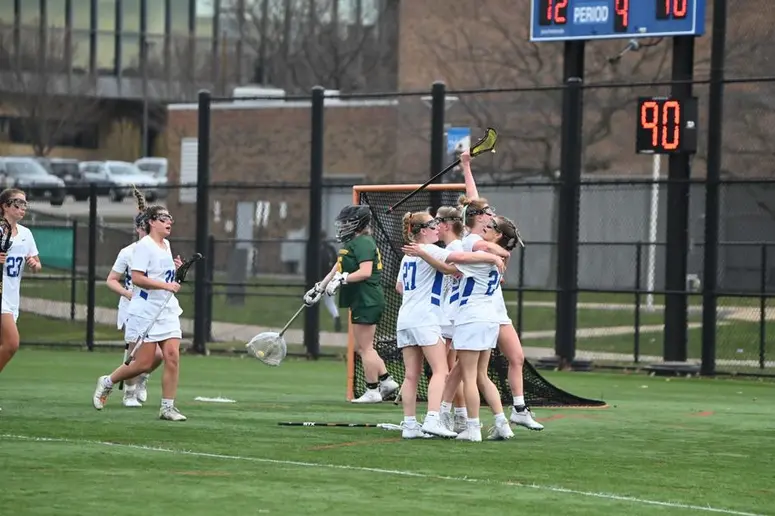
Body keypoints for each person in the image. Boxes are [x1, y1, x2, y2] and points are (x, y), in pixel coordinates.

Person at [396, 211, 503, 439]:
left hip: (405, 317)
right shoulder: (432, 250)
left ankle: (409, 425)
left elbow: (400, 287)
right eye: (432, 224)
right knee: (441, 370)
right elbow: (459, 262)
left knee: (410, 375)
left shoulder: (408, 255)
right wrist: (493, 258)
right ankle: (433, 418)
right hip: (426, 318)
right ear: (422, 230)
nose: (437, 227)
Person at [457, 149, 544, 432]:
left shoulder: (484, 239)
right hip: (465, 309)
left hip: (490, 309)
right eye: (487, 214)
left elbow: (475, 204)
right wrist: (466, 167)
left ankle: (517, 409)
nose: (490, 215)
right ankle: (447, 414)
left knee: (514, 358)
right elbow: (473, 200)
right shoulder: (474, 239)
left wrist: (498, 254)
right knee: (461, 371)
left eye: (492, 218)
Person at [92, 204, 187, 421]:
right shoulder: (144, 246)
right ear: (151, 222)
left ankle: (167, 407)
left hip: (167, 308)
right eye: (163, 218)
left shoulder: (166, 245)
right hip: (146, 309)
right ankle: (108, 381)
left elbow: (162, 276)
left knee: (172, 356)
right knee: (143, 363)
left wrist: (176, 271)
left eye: (169, 217)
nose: (168, 221)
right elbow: (137, 278)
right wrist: (165, 286)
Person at [308, 204, 399, 403]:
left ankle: (373, 390)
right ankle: (386, 380)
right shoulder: (352, 243)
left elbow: (365, 272)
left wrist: (343, 280)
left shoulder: (364, 242)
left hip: (367, 299)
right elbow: (338, 266)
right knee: (363, 346)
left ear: (358, 224)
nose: (343, 226)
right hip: (361, 299)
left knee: (365, 347)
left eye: (347, 222)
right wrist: (319, 287)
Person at [104, 187, 166, 407]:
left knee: (158, 355)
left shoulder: (161, 248)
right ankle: (129, 393)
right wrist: (127, 293)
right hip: (132, 307)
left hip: (154, 307)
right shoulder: (128, 252)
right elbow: (112, 279)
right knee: (135, 351)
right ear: (139, 228)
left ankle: (142, 377)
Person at [0, 189, 41, 412]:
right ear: (5, 206)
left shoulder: (26, 234)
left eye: (25, 204)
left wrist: (35, 265)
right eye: (17, 204)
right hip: (1, 298)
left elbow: (36, 261)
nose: (22, 208)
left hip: (12, 298)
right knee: (12, 344)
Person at [434, 206, 469, 433]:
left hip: (452, 316)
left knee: (449, 370)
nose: (434, 226)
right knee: (452, 370)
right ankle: (459, 416)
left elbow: (450, 270)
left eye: (437, 222)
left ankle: (447, 415)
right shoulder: (453, 247)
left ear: (446, 225)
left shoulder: (457, 248)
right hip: (450, 314)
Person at [319, 231, 342, 332]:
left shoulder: (318, 249)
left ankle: (313, 324)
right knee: (330, 302)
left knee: (315, 301)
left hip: (322, 279)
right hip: (332, 278)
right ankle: (336, 316)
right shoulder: (331, 248)